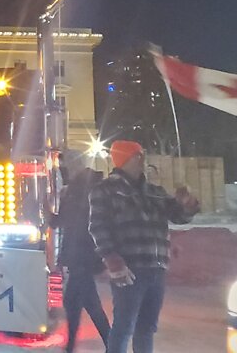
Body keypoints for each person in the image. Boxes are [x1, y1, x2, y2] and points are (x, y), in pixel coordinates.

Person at [89, 140, 200, 353]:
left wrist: (186, 205)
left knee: (146, 328)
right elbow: (98, 227)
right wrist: (112, 260)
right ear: (124, 159)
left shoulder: (154, 191)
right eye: (137, 155)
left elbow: (177, 216)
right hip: (129, 270)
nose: (142, 159)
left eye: (142, 155)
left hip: (156, 268)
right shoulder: (105, 190)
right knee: (123, 327)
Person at [53, 166, 111, 352]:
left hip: (79, 259)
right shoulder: (93, 199)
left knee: (84, 303)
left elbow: (58, 223)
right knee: (76, 302)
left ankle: (112, 343)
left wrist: (48, 210)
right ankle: (74, 346)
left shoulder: (74, 199)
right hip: (85, 259)